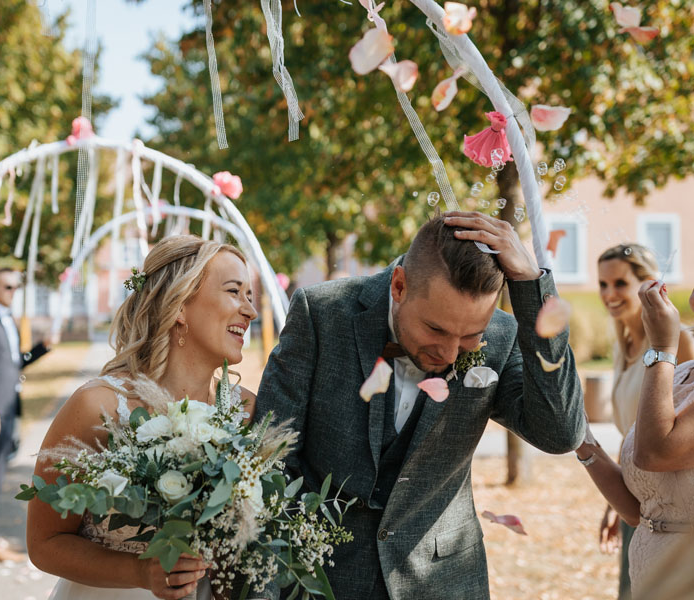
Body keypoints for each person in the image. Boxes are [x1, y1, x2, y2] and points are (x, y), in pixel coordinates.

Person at [251, 212, 586, 599]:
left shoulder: (503, 335)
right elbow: (271, 462)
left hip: (442, 583)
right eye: (436, 329)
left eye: (469, 337)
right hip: (324, 581)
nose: (448, 353)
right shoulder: (323, 314)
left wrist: (532, 288)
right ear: (398, 286)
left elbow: (561, 433)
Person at [27, 235, 257, 600]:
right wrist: (138, 571)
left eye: (251, 296)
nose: (250, 311)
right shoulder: (96, 407)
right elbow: (44, 542)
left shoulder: (244, 412)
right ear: (180, 304)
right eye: (235, 292)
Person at [575, 279, 694, 598]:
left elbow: (655, 454)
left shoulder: (670, 364)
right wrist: (580, 436)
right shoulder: (684, 375)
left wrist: (662, 348)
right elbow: (640, 510)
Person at [0, 267, 54, 561]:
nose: (12, 293)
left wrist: (42, 349)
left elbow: (13, 363)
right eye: (6, 287)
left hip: (8, 406)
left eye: (16, 287)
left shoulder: (7, 321)